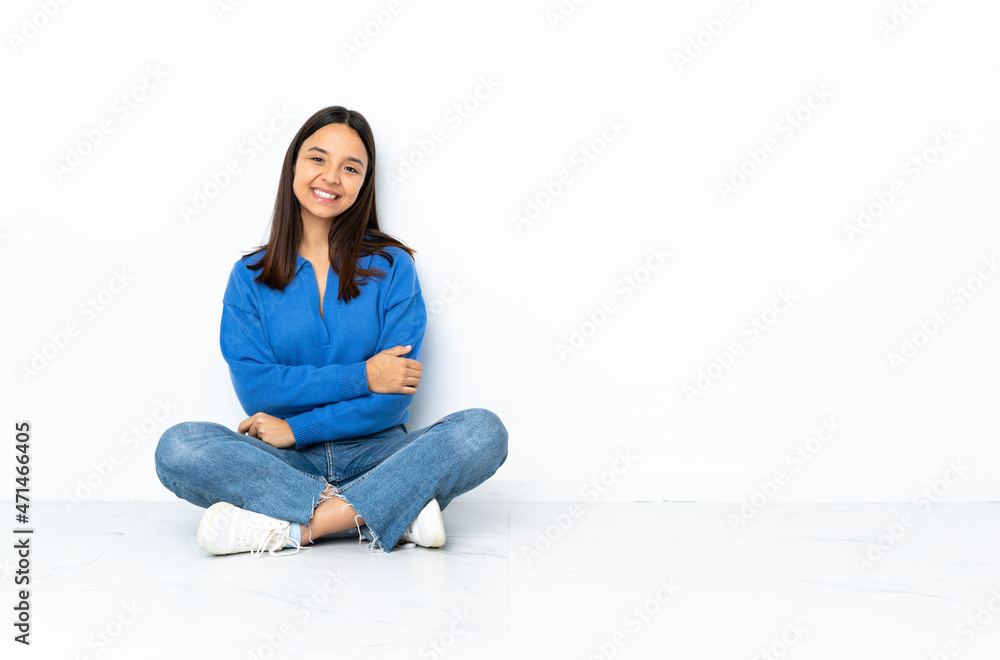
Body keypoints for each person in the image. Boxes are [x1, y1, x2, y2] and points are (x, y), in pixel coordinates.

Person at [154, 106, 508, 557]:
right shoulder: (249, 276)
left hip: (379, 454)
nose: (331, 178)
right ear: (294, 166)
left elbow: (394, 396)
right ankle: (391, 510)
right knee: (180, 447)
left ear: (364, 182)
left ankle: (298, 527)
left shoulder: (393, 267)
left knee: (481, 431)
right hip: (286, 462)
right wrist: (364, 376)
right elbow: (260, 390)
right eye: (318, 159)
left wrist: (295, 427)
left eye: (351, 167)